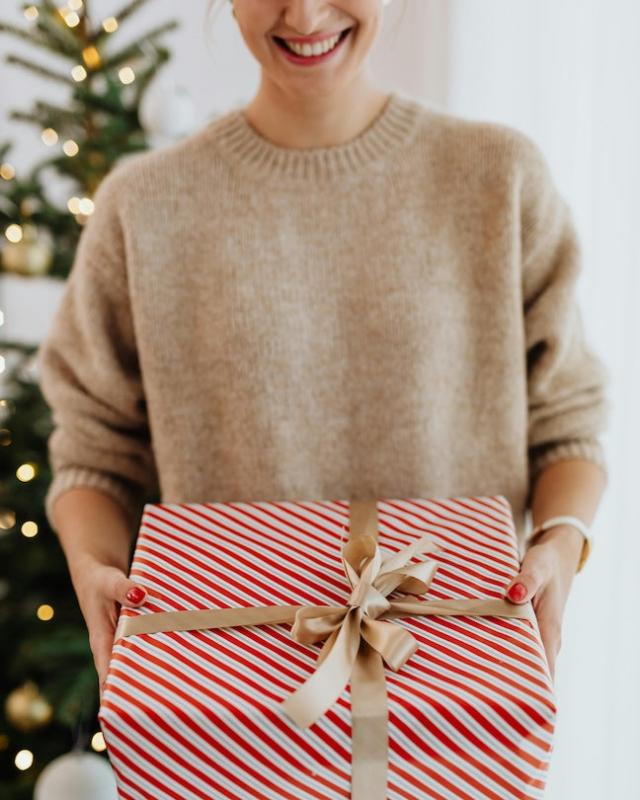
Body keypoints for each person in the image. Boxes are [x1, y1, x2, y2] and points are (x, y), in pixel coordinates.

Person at [37, 0, 610, 701]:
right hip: (229, 707)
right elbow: (95, 453)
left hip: (463, 699)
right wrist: (93, 566)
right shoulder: (143, 206)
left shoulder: (499, 176)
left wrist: (559, 542)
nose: (305, 15)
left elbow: (568, 427)